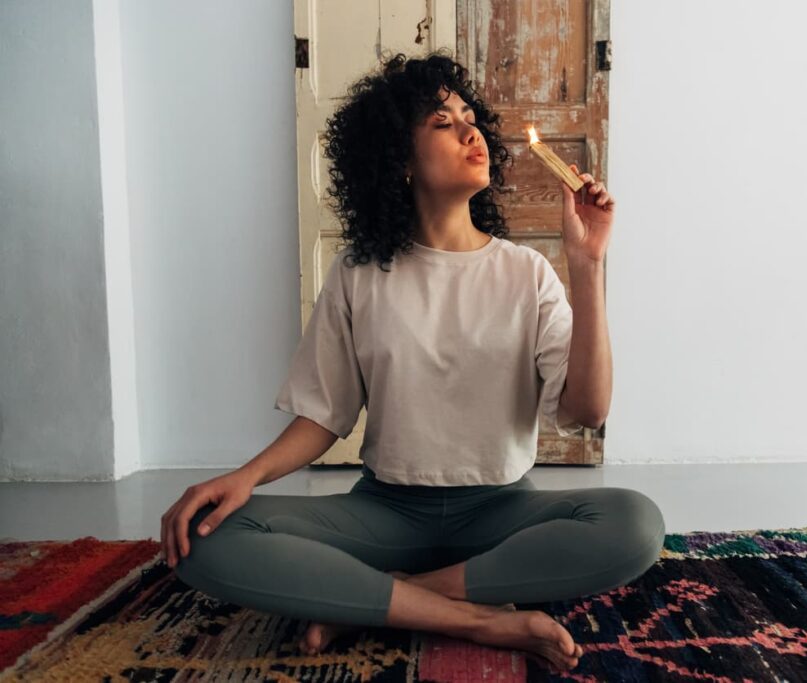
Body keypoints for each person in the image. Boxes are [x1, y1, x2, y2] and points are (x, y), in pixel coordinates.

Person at [160, 50, 665, 674]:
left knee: (636, 523)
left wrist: (587, 268)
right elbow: (324, 416)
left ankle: (384, 597)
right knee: (206, 537)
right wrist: (244, 477)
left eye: (468, 115)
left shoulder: (525, 273)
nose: (470, 129)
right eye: (441, 121)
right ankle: (480, 616)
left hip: (500, 512)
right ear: (399, 161)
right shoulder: (357, 275)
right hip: (386, 512)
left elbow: (588, 410)